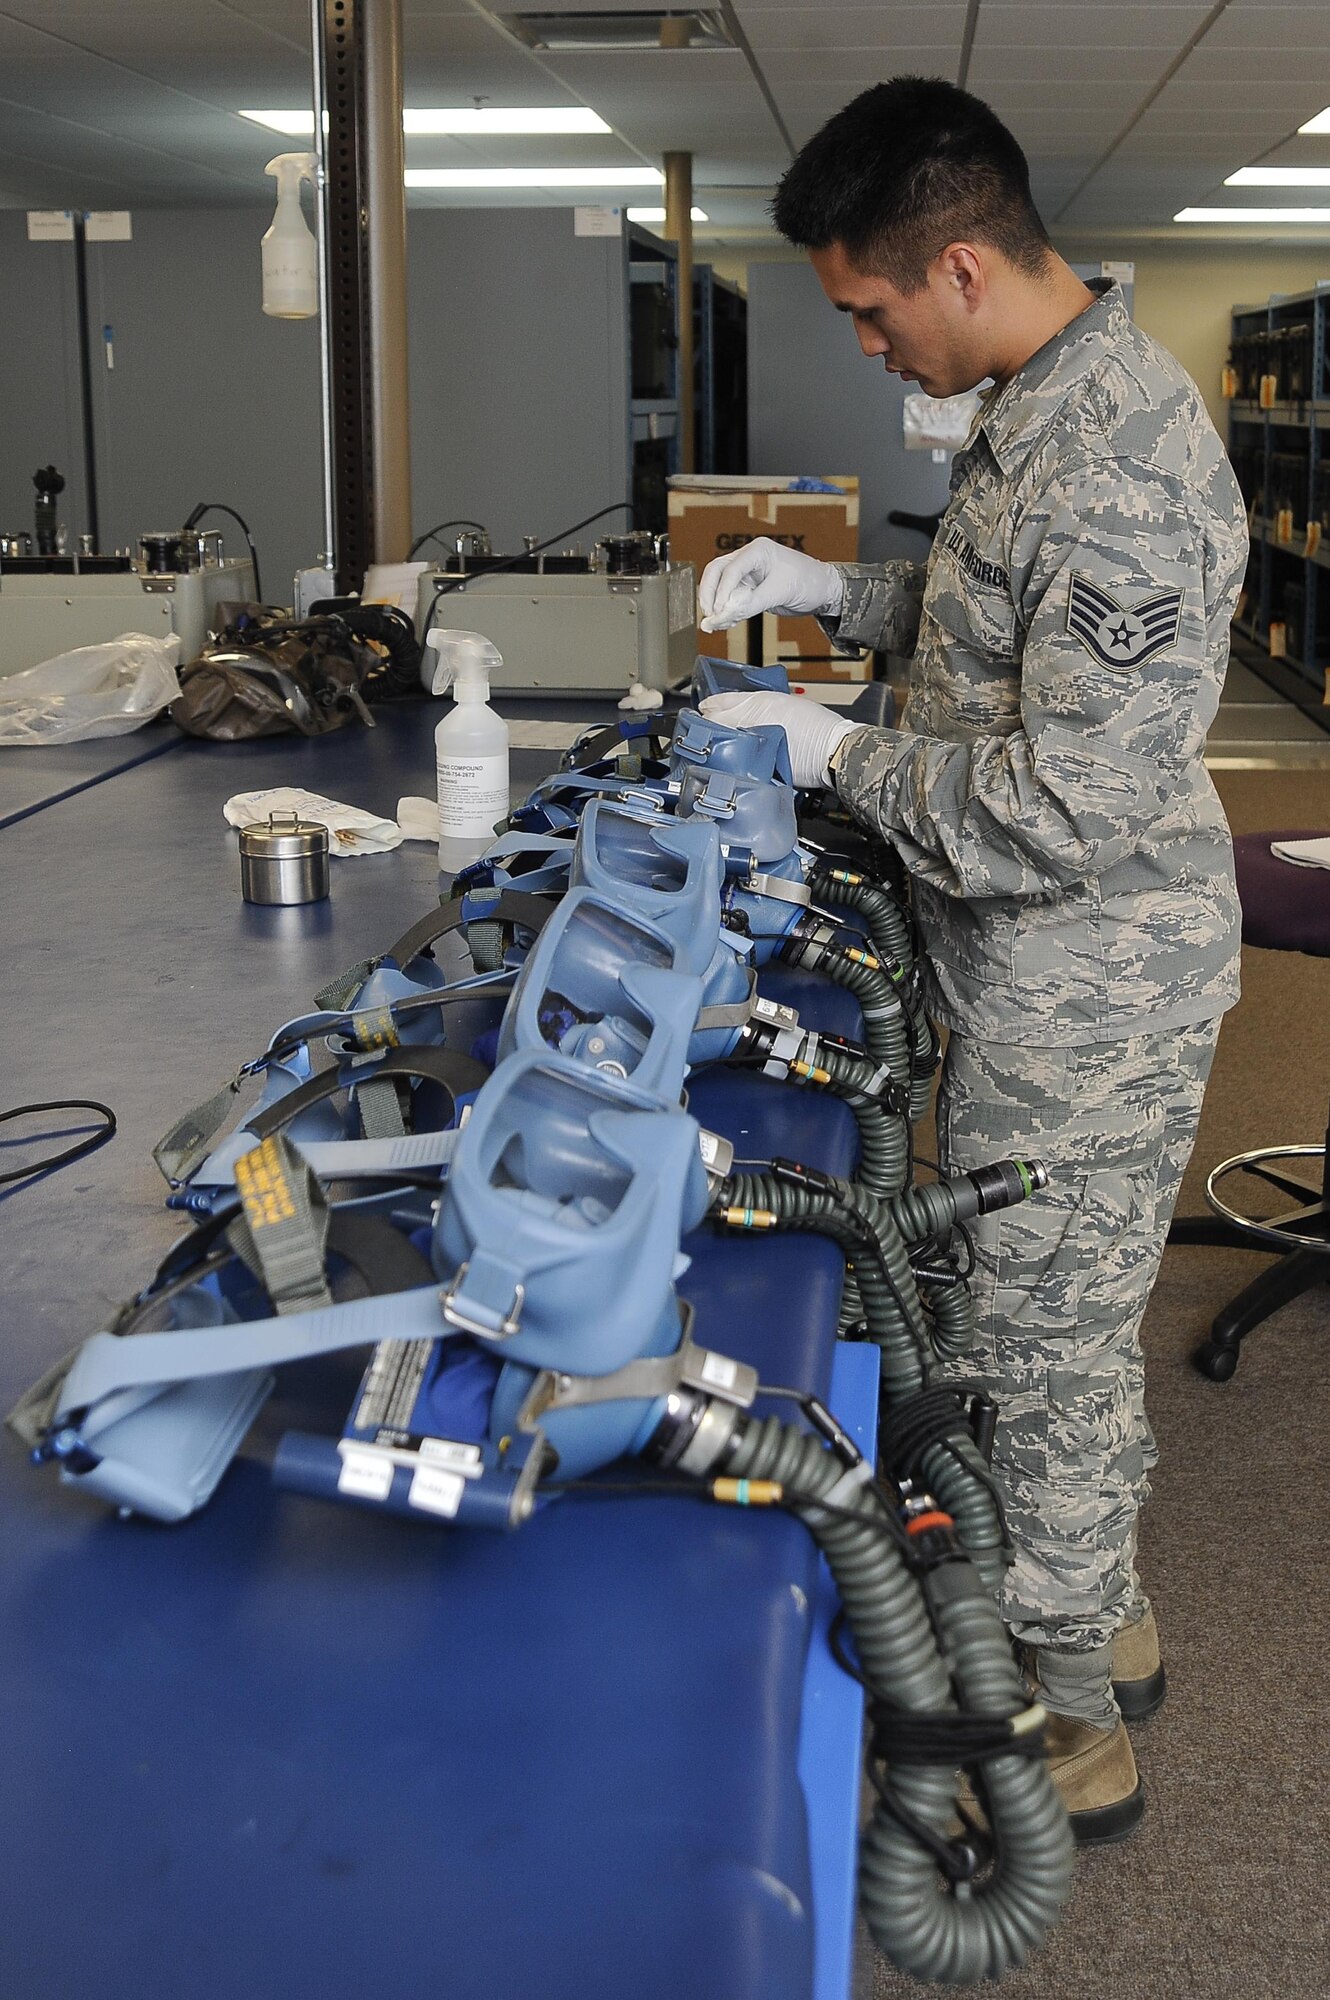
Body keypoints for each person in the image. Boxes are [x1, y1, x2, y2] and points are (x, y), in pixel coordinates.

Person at [699, 76, 1246, 1845]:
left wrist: (826, 753)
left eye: (865, 311)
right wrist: (839, 593)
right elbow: (992, 635)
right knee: (1040, 1327)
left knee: (1041, 1359)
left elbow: (1063, 804)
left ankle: (1064, 1716)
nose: (863, 346)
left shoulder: (1121, 464)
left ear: (952, 264)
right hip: (1027, 979)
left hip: (1086, 988)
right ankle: (1099, 1614)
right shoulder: (1042, 410)